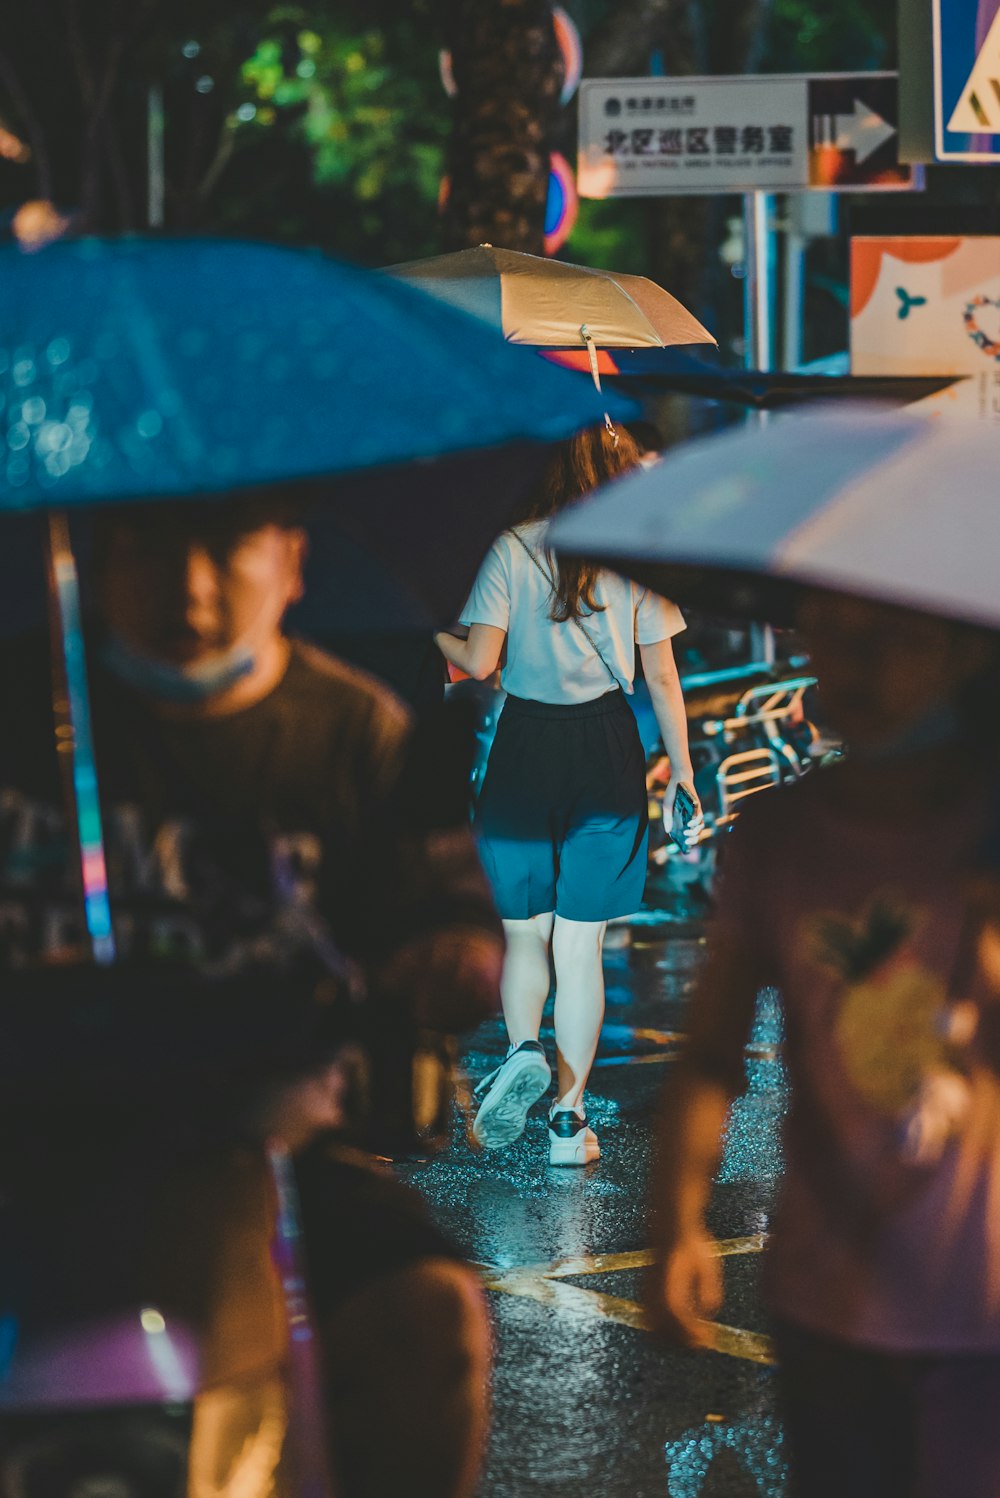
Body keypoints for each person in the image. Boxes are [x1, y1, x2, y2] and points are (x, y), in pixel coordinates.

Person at [0, 494, 503, 1498]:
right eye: (152, 547)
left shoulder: (352, 731)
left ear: (289, 562)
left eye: (225, 547)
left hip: (265, 1145)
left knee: (430, 1320)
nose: (190, 586)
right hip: (33, 1143)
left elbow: (445, 927)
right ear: (100, 563)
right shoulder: (25, 709)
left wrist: (448, 964)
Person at [646, 588, 1000, 1498]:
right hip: (825, 1293)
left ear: (962, 650)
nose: (857, 661)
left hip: (982, 1304)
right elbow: (711, 1053)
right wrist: (677, 1222)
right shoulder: (778, 833)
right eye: (834, 634)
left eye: (894, 636)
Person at [435, 425, 703, 1167]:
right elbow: (663, 679)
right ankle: (567, 1120)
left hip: (524, 747)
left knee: (526, 931)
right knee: (580, 943)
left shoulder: (512, 548)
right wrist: (681, 770)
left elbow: (481, 662)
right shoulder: (635, 551)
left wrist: (438, 637)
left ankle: (523, 1047)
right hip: (608, 751)